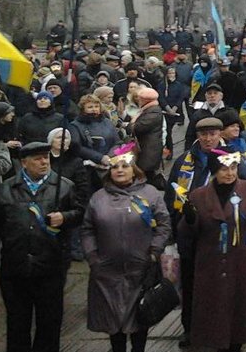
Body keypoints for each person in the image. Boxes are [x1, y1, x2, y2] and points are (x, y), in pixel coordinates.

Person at [177, 151, 246, 352]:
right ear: (214, 171)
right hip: (210, 265)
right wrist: (190, 220)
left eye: (233, 168)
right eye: (223, 169)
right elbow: (187, 235)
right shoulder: (199, 196)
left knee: (239, 312)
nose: (229, 173)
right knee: (214, 314)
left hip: (241, 263)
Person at [0, 142, 83, 352]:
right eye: (37, 158)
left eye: (46, 157)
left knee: (49, 326)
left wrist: (66, 217)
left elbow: (80, 213)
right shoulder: (5, 189)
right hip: (15, 269)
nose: (44, 162)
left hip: (50, 268)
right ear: (24, 163)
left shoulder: (65, 186)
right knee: (17, 326)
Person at [80, 149, 171, 352]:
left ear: (134, 170)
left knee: (140, 318)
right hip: (107, 271)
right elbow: (87, 229)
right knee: (114, 322)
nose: (120, 170)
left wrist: (154, 251)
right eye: (115, 167)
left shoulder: (151, 194)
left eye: (124, 166)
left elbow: (164, 225)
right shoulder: (98, 198)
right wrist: (93, 257)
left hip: (141, 269)